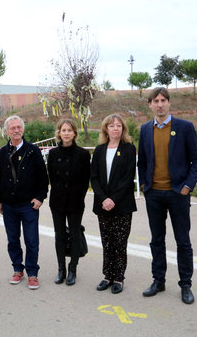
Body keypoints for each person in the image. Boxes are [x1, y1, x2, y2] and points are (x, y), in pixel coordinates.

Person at [138, 87, 197, 304]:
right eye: (155, 100)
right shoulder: (145, 129)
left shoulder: (185, 127)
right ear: (150, 105)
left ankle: (185, 284)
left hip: (178, 194)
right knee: (157, 240)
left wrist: (187, 187)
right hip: (154, 194)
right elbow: (143, 162)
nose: (159, 104)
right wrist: (146, 186)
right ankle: (159, 281)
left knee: (182, 241)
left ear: (169, 103)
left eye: (163, 100)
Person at [0, 115, 49, 290]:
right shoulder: (2, 153)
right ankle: (18, 269)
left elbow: (43, 177)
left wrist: (40, 197)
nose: (16, 130)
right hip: (9, 205)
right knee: (12, 239)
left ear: (23, 129)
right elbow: (0, 178)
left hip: (29, 205)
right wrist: (0, 200)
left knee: (32, 240)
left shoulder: (33, 151)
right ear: (6, 131)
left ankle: (32, 273)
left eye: (19, 127)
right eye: (13, 128)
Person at [90, 114, 137, 294]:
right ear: (106, 129)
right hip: (103, 204)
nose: (115, 128)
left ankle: (119, 277)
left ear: (123, 129)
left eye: (118, 125)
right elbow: (94, 177)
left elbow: (127, 179)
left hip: (122, 204)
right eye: (112, 126)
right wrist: (103, 198)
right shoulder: (100, 149)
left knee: (120, 243)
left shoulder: (129, 149)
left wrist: (113, 199)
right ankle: (107, 276)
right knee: (107, 242)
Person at [47, 118, 90, 286]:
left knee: (74, 233)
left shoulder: (83, 154)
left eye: (69, 130)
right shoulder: (53, 154)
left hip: (75, 201)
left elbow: (86, 180)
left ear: (74, 133)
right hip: (57, 201)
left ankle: (73, 269)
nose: (66, 133)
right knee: (59, 235)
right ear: (59, 133)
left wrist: (78, 197)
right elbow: (51, 176)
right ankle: (61, 269)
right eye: (63, 130)